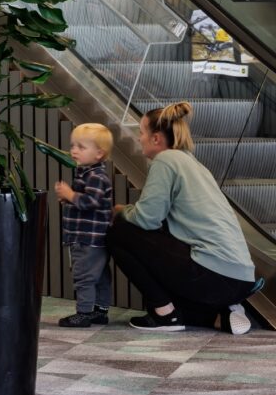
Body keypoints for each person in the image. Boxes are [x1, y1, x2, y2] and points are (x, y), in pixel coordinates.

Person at [105, 102, 260, 334]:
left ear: (156, 139)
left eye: (142, 133)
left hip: (213, 274)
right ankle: (223, 312)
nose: (139, 139)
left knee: (118, 231)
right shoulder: (192, 163)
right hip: (240, 279)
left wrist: (121, 211)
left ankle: (165, 314)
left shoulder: (166, 160)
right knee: (160, 238)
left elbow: (147, 219)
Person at [54, 123, 115, 328]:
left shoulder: (95, 176)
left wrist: (70, 194)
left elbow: (91, 202)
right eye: (73, 145)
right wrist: (69, 200)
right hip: (93, 237)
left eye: (81, 147)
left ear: (99, 153)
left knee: (85, 277)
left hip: (88, 238)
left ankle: (84, 313)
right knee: (99, 276)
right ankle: (100, 310)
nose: (74, 150)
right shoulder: (86, 173)